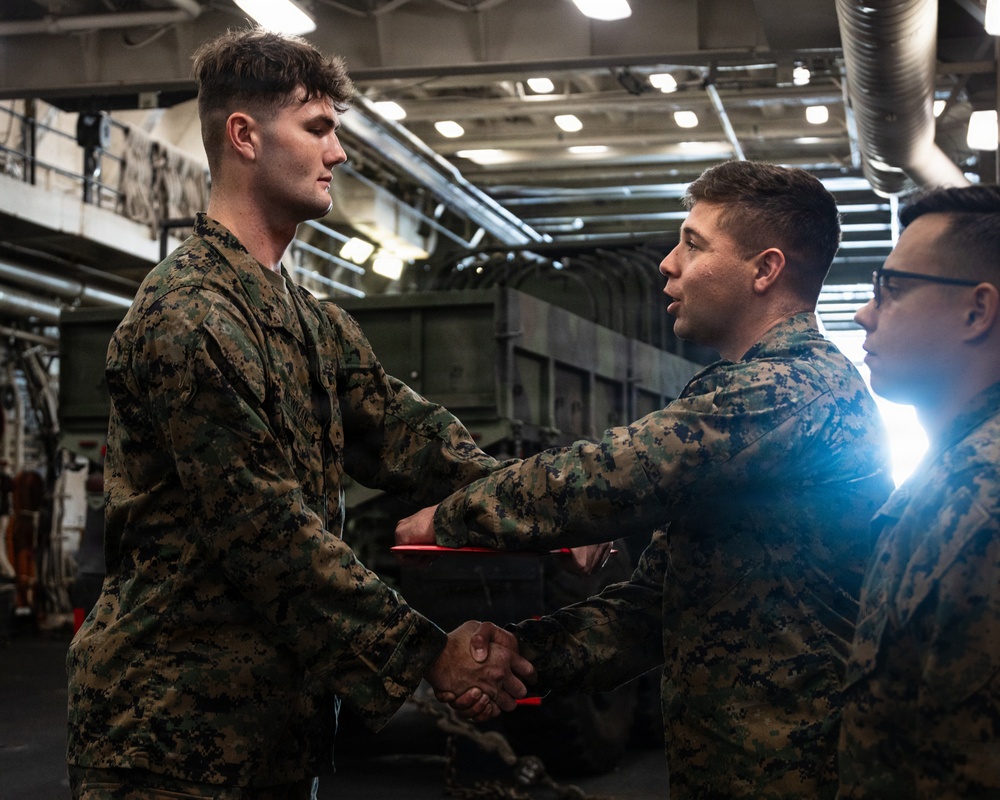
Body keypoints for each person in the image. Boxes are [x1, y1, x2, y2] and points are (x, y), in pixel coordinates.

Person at [65, 27, 535, 799]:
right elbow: (268, 535)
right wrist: (425, 653)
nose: (339, 154)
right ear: (244, 136)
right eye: (317, 128)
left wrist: (555, 509)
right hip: (168, 740)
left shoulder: (308, 319)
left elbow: (413, 441)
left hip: (269, 736)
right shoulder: (190, 317)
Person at [396, 160, 896, 799]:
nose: (668, 263)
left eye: (694, 244)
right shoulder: (758, 394)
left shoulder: (791, 391)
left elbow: (611, 476)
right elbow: (657, 607)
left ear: (765, 270)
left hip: (798, 774)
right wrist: (524, 657)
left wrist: (451, 515)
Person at [837, 185, 1000, 798]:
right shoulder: (954, 475)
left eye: (893, 289)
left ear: (975, 312)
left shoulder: (983, 501)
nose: (864, 313)